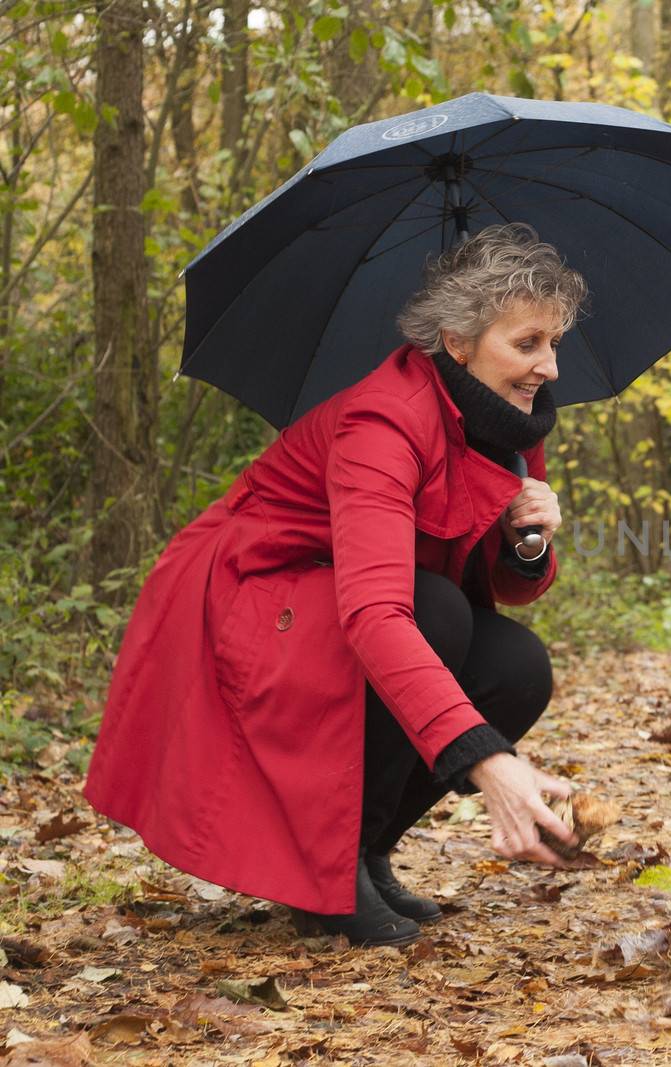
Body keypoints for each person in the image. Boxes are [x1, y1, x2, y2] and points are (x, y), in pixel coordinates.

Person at [83, 224, 589, 946]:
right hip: (245, 592)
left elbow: (503, 587)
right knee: (434, 613)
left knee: (516, 667)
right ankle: (324, 874)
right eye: (528, 343)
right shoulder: (382, 420)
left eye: (555, 342)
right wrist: (489, 760)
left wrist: (529, 539)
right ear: (458, 340)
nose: (550, 367)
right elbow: (378, 612)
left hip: (343, 595)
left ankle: (362, 851)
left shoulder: (510, 423)